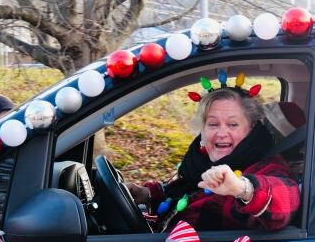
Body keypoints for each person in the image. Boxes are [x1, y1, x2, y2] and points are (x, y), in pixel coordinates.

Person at [126, 87, 300, 231]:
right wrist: (148, 194)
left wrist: (243, 189)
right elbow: (187, 194)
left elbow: (285, 201)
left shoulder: (268, 167)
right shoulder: (199, 163)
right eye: (213, 124)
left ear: (251, 127)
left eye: (233, 124)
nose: (222, 133)